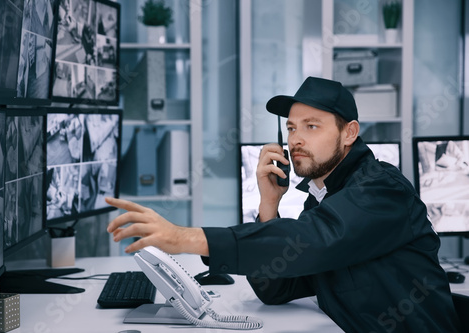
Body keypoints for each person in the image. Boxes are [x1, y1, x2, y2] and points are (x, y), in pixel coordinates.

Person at [105, 76, 461, 332]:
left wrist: (184, 238)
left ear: (349, 133)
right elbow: (278, 288)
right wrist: (269, 205)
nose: (296, 140)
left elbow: (317, 239)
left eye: (312, 126)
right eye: (291, 129)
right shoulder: (322, 199)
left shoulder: (381, 188)